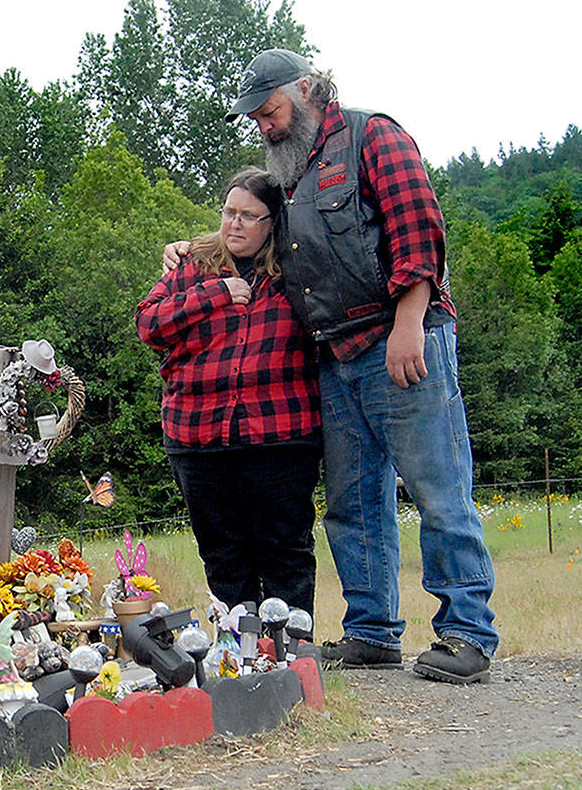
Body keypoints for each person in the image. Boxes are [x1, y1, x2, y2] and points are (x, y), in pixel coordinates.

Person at [165, 49, 498, 684]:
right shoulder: (289, 172)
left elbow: (418, 229)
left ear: (311, 89)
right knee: (353, 500)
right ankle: (372, 631)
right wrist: (191, 248)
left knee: (437, 488)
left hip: (401, 339)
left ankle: (466, 632)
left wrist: (408, 325)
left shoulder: (375, 135)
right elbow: (253, 239)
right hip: (334, 353)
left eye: (272, 111)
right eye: (256, 118)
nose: (265, 126)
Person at [138, 167, 321, 615]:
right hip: (197, 433)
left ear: (273, 223)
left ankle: (291, 661)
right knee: (222, 556)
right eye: (228, 212)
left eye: (249, 216)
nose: (234, 224)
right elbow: (148, 324)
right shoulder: (192, 266)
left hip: (279, 434)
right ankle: (236, 659)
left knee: (285, 552)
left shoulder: (297, 271)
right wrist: (215, 293)